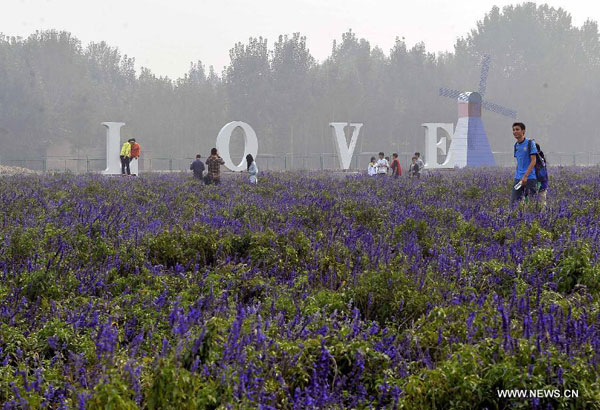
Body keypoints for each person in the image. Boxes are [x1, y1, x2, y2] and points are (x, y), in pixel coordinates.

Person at [511, 122, 537, 204]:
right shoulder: (516, 145)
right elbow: (519, 162)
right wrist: (518, 175)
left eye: (517, 129)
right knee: (514, 202)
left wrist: (525, 176)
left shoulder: (530, 143)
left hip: (529, 178)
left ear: (523, 131)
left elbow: (533, 161)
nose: (515, 132)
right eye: (513, 130)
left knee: (531, 203)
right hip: (518, 178)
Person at [535, 142, 549, 208]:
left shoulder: (537, 160)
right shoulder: (542, 158)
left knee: (540, 202)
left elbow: (540, 175)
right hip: (543, 184)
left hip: (540, 183)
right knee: (542, 201)